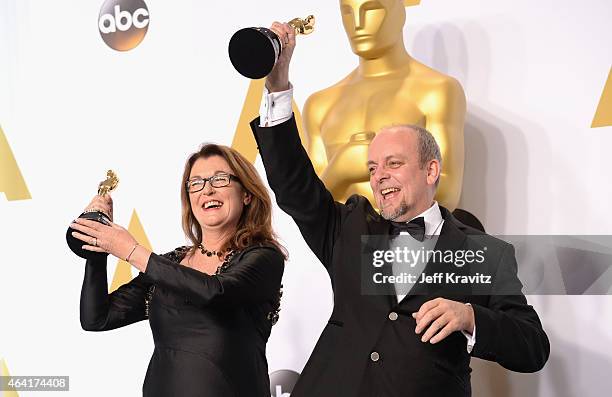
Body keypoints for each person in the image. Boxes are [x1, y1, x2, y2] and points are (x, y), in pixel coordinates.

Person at [248, 22, 550, 397]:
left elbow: (533, 346)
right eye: (372, 168)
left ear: (431, 170)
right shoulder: (349, 227)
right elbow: (294, 185)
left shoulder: (485, 253)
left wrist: (470, 317)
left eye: (393, 163)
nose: (378, 177)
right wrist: (278, 85)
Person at [70, 144, 285, 397]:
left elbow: (216, 292)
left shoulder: (263, 257)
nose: (207, 189)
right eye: (196, 183)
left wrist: (130, 250)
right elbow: (97, 318)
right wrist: (97, 241)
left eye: (220, 179)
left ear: (246, 194)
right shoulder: (170, 263)